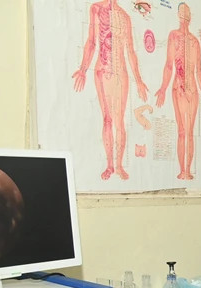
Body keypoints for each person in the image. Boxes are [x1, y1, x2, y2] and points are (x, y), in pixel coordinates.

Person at [72, 0, 148, 181]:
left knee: (119, 120)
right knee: (107, 118)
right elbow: (91, 42)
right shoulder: (96, 9)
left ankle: (119, 165)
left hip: (121, 72)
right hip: (103, 69)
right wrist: (83, 69)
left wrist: (138, 79)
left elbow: (130, 51)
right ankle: (110, 165)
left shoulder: (125, 17)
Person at [155, 2, 201, 181]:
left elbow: (199, 71)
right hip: (178, 88)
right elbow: (168, 65)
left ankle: (188, 170)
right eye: (182, 11)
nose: (184, 15)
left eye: (187, 12)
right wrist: (163, 89)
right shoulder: (173, 36)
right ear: (178, 15)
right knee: (182, 131)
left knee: (190, 131)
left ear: (189, 16)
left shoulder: (195, 41)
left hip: (193, 90)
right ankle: (182, 170)